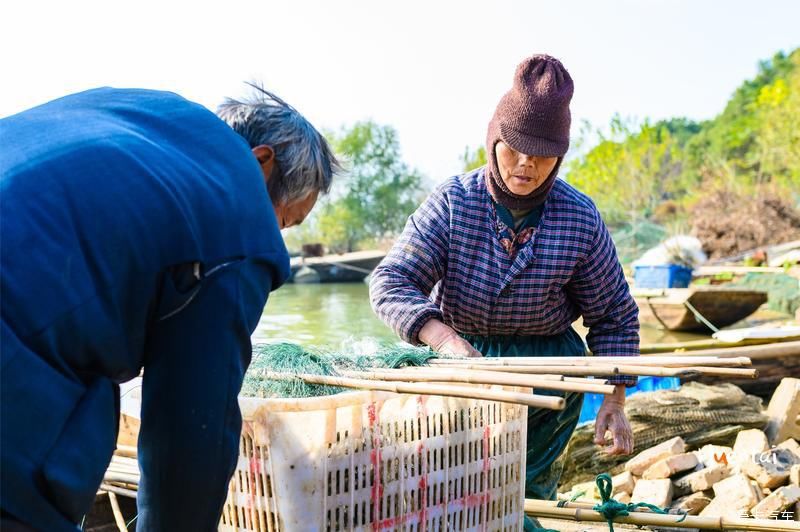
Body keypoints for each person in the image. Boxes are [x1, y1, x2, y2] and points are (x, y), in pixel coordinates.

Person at [0, 85, 339, 531]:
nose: (274, 238)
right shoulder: (235, 210)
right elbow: (190, 439)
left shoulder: (142, 113)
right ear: (261, 161)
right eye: (284, 221)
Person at [369, 55, 637, 529]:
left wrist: (615, 401)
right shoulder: (454, 201)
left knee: (522, 498)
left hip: (550, 375)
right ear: (494, 140)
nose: (526, 164)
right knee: (454, 492)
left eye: (542, 152)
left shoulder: (578, 216)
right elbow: (391, 282)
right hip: (464, 367)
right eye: (514, 148)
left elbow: (614, 314)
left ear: (560, 154)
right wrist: (446, 342)